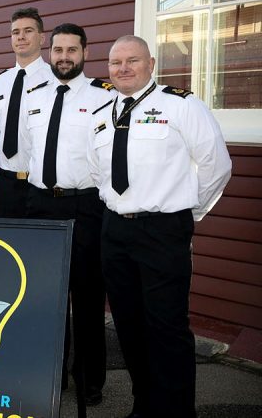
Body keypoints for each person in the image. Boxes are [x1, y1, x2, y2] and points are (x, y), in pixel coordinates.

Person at [87, 35, 232, 418]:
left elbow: (216, 166)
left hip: (163, 231)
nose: (123, 68)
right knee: (128, 326)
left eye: (132, 60)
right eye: (116, 62)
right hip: (115, 231)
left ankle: (178, 411)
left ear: (150, 63)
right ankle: (144, 407)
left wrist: (186, 214)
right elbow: (96, 171)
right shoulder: (101, 114)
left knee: (167, 328)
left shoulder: (181, 106)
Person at [22, 23, 114, 406]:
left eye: (71, 50)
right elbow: (28, 149)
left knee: (88, 297)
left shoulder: (103, 97)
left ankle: (90, 380)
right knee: (45, 294)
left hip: (84, 205)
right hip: (42, 203)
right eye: (57, 50)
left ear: (85, 53)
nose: (63, 57)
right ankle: (51, 373)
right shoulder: (36, 95)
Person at [0, 7, 54, 217]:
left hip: (40, 182)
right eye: (15, 32)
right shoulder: (1, 81)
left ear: (42, 38)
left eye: (28, 31)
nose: (21, 37)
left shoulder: (54, 80)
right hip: (6, 182)